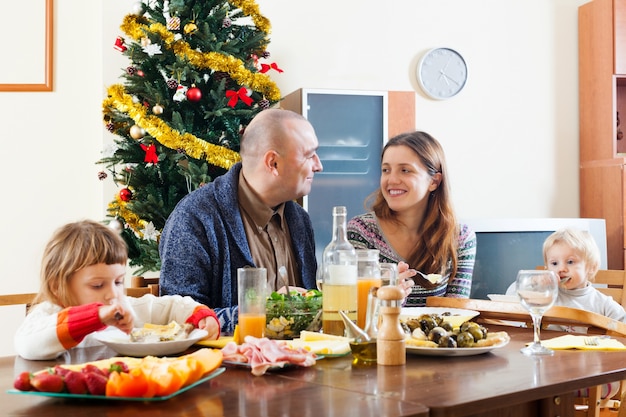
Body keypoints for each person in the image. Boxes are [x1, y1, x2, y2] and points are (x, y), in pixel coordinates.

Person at [159, 108, 323, 335]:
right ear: (273, 163)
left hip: (304, 364)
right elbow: (178, 321)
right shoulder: (195, 218)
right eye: (309, 155)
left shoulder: (300, 220)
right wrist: (268, 312)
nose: (318, 165)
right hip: (224, 368)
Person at [14, 220, 220, 361]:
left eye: (119, 282)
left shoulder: (126, 307)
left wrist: (201, 316)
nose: (113, 293)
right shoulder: (49, 314)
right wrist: (94, 316)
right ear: (58, 287)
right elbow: (27, 345)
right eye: (97, 285)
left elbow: (172, 306)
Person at [347, 130, 476, 307]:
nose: (391, 180)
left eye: (405, 170)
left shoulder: (460, 237)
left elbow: (456, 312)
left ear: (434, 182)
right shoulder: (362, 231)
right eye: (386, 170)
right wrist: (388, 300)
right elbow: (352, 311)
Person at [544, 227, 626, 322]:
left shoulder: (603, 304)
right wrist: (537, 286)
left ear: (591, 267)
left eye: (570, 262)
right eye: (554, 263)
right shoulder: (546, 297)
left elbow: (623, 328)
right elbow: (526, 311)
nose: (561, 269)